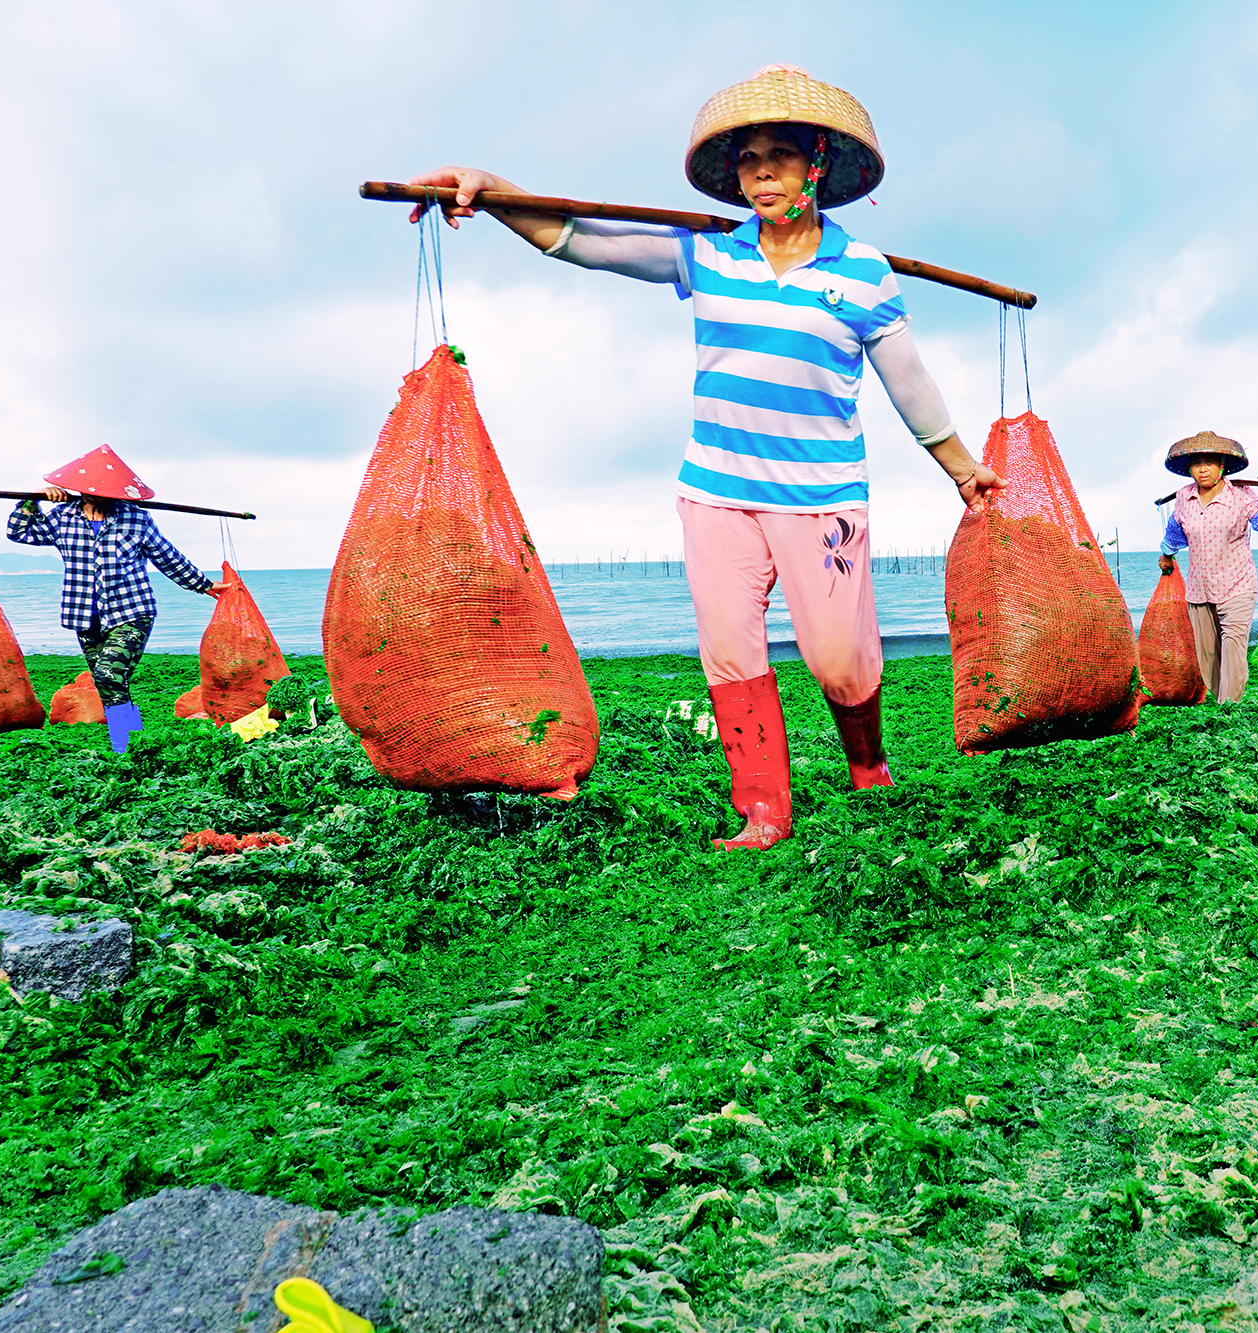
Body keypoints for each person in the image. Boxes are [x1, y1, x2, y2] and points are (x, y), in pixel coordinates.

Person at [406, 64, 1001, 851]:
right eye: (748, 159)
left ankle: (868, 763)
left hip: (821, 498)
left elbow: (910, 384)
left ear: (815, 165)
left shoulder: (864, 276)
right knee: (730, 652)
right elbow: (580, 241)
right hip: (715, 494)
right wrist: (491, 189)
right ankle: (762, 808)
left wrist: (963, 469)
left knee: (839, 661)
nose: (760, 172)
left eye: (779, 155)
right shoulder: (707, 255)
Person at [6, 445, 220, 753]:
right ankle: (134, 740)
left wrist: (203, 585)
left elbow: (167, 558)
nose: (108, 499)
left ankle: (123, 745)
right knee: (111, 685)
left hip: (131, 611)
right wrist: (32, 500)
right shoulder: (62, 517)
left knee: (108, 675)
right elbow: (19, 533)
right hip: (84, 616)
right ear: (83, 492)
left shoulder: (136, 520)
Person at [1155, 432, 1258, 703]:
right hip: (1199, 588)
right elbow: (1175, 530)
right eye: (1196, 463)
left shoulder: (1240, 494)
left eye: (1209, 462)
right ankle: (1220, 701)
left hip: (1237, 585)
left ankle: (1230, 707)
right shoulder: (1183, 498)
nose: (1202, 469)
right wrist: (1167, 554)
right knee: (1208, 654)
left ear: (1222, 467)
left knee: (1233, 646)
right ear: (1190, 469)